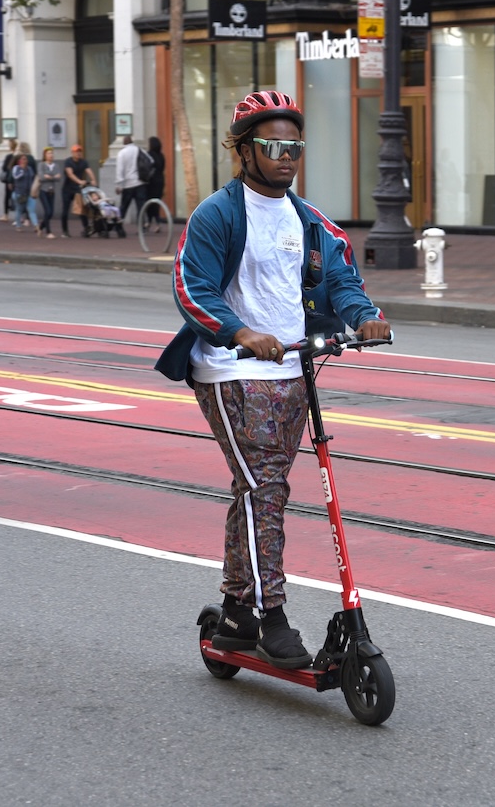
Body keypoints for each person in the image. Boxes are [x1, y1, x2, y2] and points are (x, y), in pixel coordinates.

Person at [156, 90, 390, 670]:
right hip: (231, 370)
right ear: (244, 150)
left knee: (259, 490)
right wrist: (237, 332)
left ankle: (237, 612)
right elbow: (193, 289)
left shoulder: (307, 220)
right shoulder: (218, 213)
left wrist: (364, 316)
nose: (287, 156)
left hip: (292, 368)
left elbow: (340, 276)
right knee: (266, 487)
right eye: (274, 145)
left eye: (295, 146)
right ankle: (270, 614)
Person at [111, 135, 143, 239]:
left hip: (128, 184)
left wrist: (119, 185)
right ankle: (140, 228)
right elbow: (150, 161)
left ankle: (119, 226)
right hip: (139, 182)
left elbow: (119, 170)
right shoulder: (139, 150)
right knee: (140, 207)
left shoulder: (122, 153)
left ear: (124, 142)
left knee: (124, 207)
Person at [64, 143, 95, 237]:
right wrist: (79, 181)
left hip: (78, 189)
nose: (78, 153)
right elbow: (70, 174)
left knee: (82, 208)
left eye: (80, 151)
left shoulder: (83, 162)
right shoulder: (68, 162)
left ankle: (86, 228)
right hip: (67, 189)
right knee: (65, 210)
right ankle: (65, 231)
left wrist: (93, 180)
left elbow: (89, 171)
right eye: (76, 151)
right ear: (72, 152)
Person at [36, 147, 62, 238]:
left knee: (51, 213)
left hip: (52, 191)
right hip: (43, 191)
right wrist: (52, 176)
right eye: (49, 153)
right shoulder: (41, 165)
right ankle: (48, 232)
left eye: (52, 153)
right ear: (45, 155)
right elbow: (42, 177)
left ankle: (40, 226)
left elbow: (59, 177)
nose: (51, 155)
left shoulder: (56, 165)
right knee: (48, 210)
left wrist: (49, 177)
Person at [10, 153, 38, 231]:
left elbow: (32, 178)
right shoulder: (16, 168)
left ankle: (36, 225)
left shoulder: (29, 169)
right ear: (19, 161)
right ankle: (18, 226)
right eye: (23, 159)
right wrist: (22, 171)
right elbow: (15, 176)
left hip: (29, 193)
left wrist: (34, 189)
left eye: (25, 159)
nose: (25, 161)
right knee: (19, 209)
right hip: (19, 193)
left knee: (31, 209)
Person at [144, 136, 167, 226]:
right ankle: (157, 222)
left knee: (149, 202)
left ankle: (150, 221)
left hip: (151, 182)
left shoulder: (148, 154)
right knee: (157, 202)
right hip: (160, 180)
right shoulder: (161, 156)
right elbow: (162, 168)